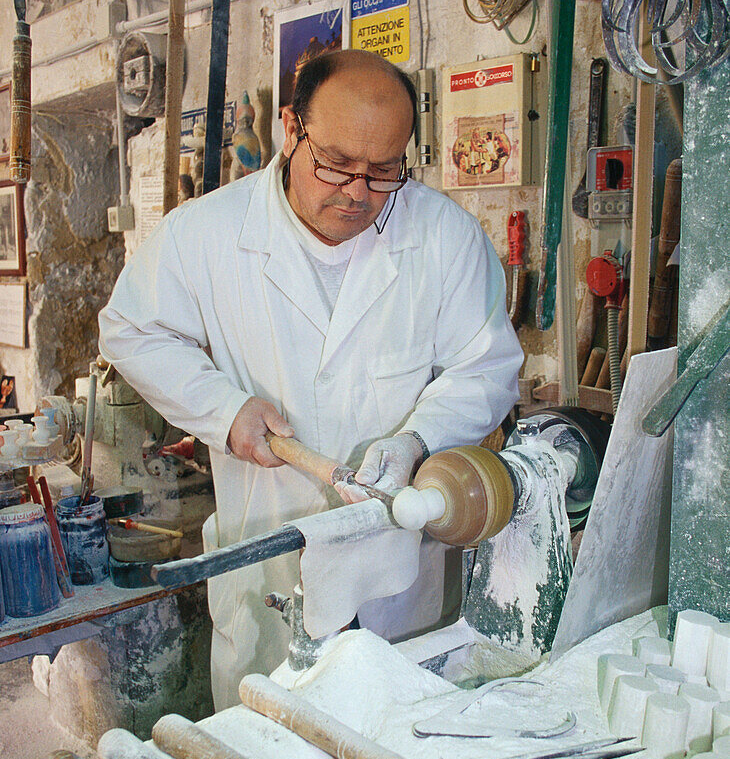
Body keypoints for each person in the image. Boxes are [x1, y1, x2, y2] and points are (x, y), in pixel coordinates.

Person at [98, 49, 522, 710]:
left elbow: (487, 368)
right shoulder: (207, 235)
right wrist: (223, 408)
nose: (357, 193)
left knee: (400, 755)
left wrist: (419, 439)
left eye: (384, 172)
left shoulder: (444, 238)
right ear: (291, 128)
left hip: (398, 573)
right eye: (336, 165)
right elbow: (129, 327)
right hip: (268, 557)